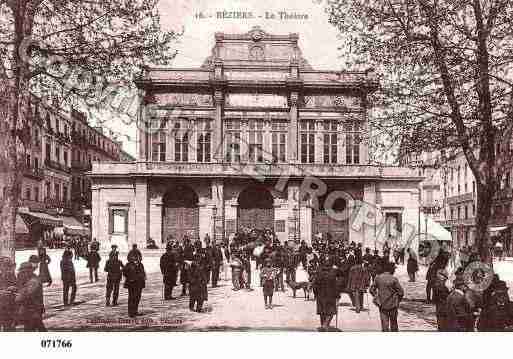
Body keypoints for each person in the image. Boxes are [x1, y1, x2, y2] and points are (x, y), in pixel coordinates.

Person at [370, 262, 404, 332]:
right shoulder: (394, 279)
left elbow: (371, 290)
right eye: (394, 269)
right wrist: (397, 300)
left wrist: (376, 297)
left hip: (382, 304)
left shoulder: (378, 278)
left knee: (384, 325)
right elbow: (401, 292)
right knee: (394, 324)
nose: (394, 271)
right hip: (393, 305)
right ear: (391, 269)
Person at [16, 260, 46, 331]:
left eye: (23, 272)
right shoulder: (29, 280)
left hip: (33, 310)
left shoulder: (33, 281)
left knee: (31, 329)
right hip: (31, 310)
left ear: (29, 271)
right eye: (21, 272)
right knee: (37, 328)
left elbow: (24, 295)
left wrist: (17, 295)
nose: (21, 274)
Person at [313, 260, 340, 331]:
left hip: (320, 295)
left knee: (322, 312)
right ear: (331, 266)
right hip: (331, 295)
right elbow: (336, 286)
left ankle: (323, 325)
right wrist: (337, 295)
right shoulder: (333, 273)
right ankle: (325, 324)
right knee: (331, 311)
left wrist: (315, 294)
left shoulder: (319, 273)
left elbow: (315, 285)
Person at [123, 252, 146, 318]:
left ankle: (135, 311)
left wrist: (143, 277)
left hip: (139, 284)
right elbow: (124, 272)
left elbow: (143, 272)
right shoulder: (128, 264)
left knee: (137, 297)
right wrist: (130, 278)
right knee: (131, 298)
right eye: (136, 258)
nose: (138, 259)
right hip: (132, 284)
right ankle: (131, 312)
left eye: (138, 258)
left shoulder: (141, 264)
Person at [0, 257, 17, 331]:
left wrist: (13, 288)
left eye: (8, 266)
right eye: (5, 266)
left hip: (10, 305)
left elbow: (17, 286)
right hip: (2, 304)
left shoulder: (11, 275)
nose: (7, 268)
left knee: (9, 327)